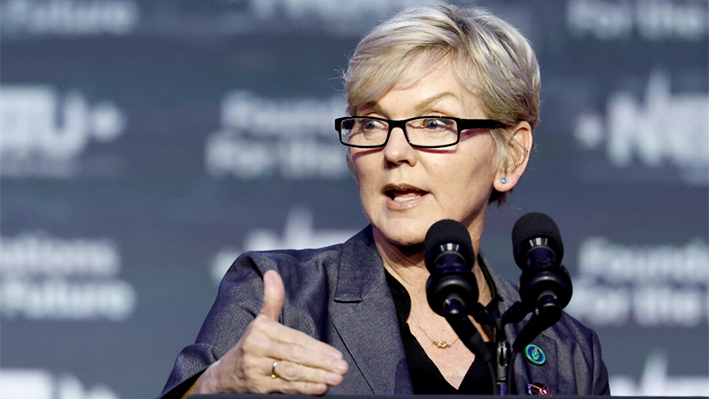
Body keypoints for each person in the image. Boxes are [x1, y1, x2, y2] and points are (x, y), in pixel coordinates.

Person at [158, 4, 610, 397]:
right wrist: (218, 386)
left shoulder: (565, 353)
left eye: (434, 123)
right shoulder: (286, 299)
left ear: (511, 154)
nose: (394, 152)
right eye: (372, 124)